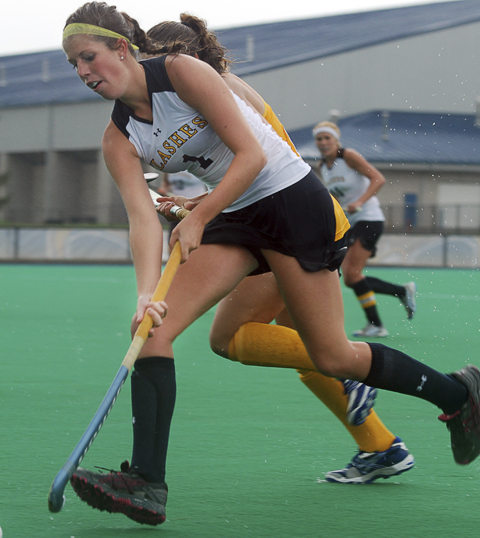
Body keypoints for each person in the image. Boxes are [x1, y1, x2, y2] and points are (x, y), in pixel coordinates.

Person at [62, 2, 480, 526]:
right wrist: (145, 295)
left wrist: (200, 217)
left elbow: (253, 156)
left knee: (331, 356)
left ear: (121, 49)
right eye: (73, 65)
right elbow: (141, 221)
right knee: (156, 330)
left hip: (289, 201)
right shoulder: (118, 138)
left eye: (88, 57)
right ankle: (147, 483)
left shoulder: (180, 72)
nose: (82, 72)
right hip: (237, 214)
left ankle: (456, 394)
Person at [148, 14, 413, 486]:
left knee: (235, 338)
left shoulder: (217, 87)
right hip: (291, 216)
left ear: (178, 58)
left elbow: (258, 165)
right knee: (300, 347)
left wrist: (204, 212)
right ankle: (380, 446)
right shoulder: (215, 86)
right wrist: (198, 202)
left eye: (156, 60)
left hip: (284, 223)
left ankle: (357, 372)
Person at [314, 121, 416, 338]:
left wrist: (360, 201)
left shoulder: (348, 156)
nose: (323, 143)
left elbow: (378, 179)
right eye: (319, 139)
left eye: (327, 138)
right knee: (351, 278)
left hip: (369, 219)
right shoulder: (323, 166)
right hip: (352, 223)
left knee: (352, 274)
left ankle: (378, 324)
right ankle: (400, 293)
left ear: (336, 140)